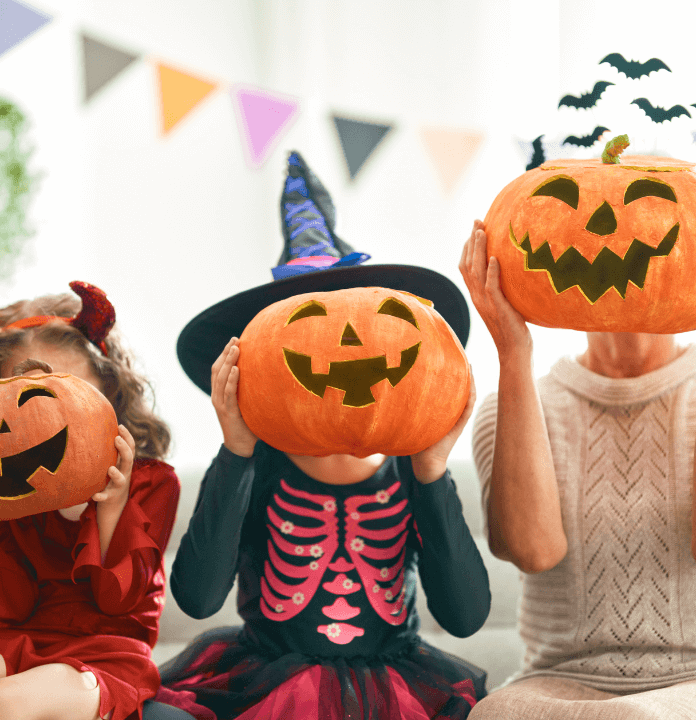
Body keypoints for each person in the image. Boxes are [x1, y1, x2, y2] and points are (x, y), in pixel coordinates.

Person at [159, 152, 491, 720]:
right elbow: (197, 598)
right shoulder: (258, 469)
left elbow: (464, 616)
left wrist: (432, 472)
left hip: (397, 680)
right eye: (308, 328)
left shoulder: (414, 472)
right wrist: (237, 450)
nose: (342, 351)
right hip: (264, 677)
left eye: (369, 325)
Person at [0, 281, 187, 720]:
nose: (47, 415)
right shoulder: (9, 491)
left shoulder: (151, 483)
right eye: (25, 399)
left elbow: (120, 604)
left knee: (3, 704)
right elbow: (12, 606)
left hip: (107, 651)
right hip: (22, 635)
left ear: (107, 389)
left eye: (62, 390)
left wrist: (110, 506)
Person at [460, 219, 696, 718]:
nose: (610, 236)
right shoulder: (516, 401)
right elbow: (532, 550)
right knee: (492, 715)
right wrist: (512, 353)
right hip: (558, 678)